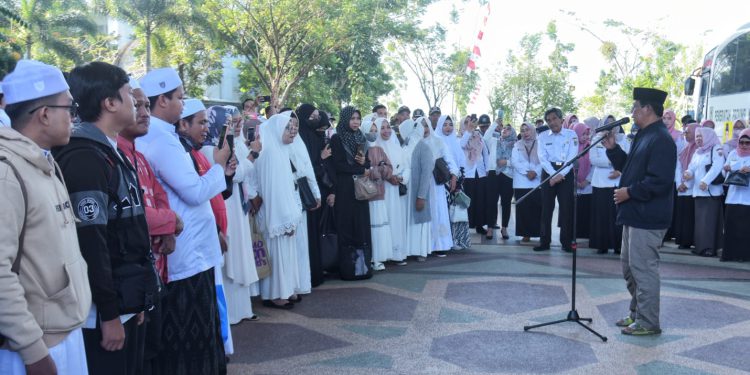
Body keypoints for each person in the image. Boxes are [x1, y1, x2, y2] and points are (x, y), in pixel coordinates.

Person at [53, 62, 153, 375]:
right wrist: (109, 314)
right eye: (128, 95)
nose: (136, 103)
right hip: (100, 314)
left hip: (124, 299)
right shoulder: (85, 156)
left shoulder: (111, 150)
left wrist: (136, 299)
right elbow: (91, 243)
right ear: (109, 103)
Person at [136, 68, 231, 374]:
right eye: (179, 97)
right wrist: (218, 166)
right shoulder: (161, 141)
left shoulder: (162, 136)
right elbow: (193, 192)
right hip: (186, 256)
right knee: (188, 338)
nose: (182, 103)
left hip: (191, 251)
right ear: (162, 101)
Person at [0, 60, 92, 375]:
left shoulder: (43, 162)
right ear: (44, 114)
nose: (74, 117)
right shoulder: (6, 172)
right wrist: (33, 351)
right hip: (34, 348)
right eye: (70, 108)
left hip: (63, 333)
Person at [116, 78, 182, 374]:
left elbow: (158, 195)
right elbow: (136, 213)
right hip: (129, 281)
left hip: (153, 271)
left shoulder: (138, 155)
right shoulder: (112, 155)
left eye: (145, 105)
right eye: (137, 104)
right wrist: (170, 222)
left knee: (151, 351)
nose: (143, 112)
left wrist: (166, 226)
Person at [603, 87, 676, 336]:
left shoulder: (662, 140)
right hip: (634, 213)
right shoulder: (643, 135)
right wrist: (613, 149)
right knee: (629, 268)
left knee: (643, 269)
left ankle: (648, 320)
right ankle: (637, 313)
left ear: (647, 109)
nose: (632, 112)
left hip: (649, 215)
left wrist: (629, 193)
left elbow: (660, 181)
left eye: (635, 107)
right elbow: (629, 169)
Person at [202, 105, 260, 324]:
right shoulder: (212, 150)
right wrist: (253, 156)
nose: (236, 126)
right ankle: (232, 314)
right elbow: (235, 175)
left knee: (240, 253)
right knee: (231, 257)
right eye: (230, 122)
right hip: (225, 206)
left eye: (237, 122)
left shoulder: (229, 146)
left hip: (237, 205)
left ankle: (242, 310)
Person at [255, 112, 304, 307]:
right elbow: (273, 190)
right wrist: (285, 219)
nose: (292, 131)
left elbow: (288, 187)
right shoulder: (269, 153)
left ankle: (287, 289)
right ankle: (274, 295)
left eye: (293, 127)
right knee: (276, 255)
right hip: (275, 215)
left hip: (285, 213)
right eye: (287, 127)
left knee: (286, 255)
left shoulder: (282, 150)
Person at [330, 106, 373, 277]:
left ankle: (363, 268)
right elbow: (338, 165)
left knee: (361, 227)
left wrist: (364, 163)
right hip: (345, 190)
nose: (356, 122)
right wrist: (359, 169)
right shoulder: (336, 138)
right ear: (345, 119)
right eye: (352, 118)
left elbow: (367, 164)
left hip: (360, 190)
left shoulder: (361, 137)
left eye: (358, 118)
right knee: (346, 227)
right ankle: (349, 270)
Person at [535, 107, 578, 252]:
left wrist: (561, 174)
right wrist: (553, 175)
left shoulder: (571, 134)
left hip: (566, 171)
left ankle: (566, 242)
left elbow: (573, 156)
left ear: (561, 119)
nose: (552, 122)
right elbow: (542, 158)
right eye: (548, 120)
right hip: (548, 172)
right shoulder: (542, 136)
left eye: (554, 119)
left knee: (566, 208)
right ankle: (544, 242)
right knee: (546, 209)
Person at [295, 103, 329, 287]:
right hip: (304, 193)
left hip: (316, 193)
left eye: (318, 116)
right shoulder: (300, 137)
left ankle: (316, 271)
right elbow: (305, 168)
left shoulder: (316, 137)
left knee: (315, 233)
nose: (315, 120)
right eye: (312, 117)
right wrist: (321, 159)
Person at [589, 116, 629, 254]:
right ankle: (602, 244)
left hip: (617, 181)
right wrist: (612, 163)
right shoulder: (596, 139)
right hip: (601, 181)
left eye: (613, 123)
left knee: (616, 215)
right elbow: (593, 159)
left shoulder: (623, 139)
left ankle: (618, 245)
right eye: (607, 123)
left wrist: (619, 170)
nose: (610, 125)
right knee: (601, 214)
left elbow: (627, 158)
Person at [684, 127, 724, 257]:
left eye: (701, 136)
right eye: (697, 136)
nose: (698, 139)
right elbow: (692, 167)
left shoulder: (716, 148)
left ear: (708, 136)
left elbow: (717, 167)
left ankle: (709, 248)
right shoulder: (698, 152)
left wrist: (706, 181)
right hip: (699, 192)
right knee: (701, 222)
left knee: (709, 222)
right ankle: (700, 247)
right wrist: (688, 174)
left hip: (711, 192)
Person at [421, 116, 457, 256]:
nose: (424, 129)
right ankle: (423, 246)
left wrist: (454, 175)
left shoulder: (438, 141)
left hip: (436, 184)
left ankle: (440, 245)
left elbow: (449, 159)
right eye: (421, 126)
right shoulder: (414, 142)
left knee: (438, 211)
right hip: (420, 184)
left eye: (426, 126)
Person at [375, 117, 408, 264]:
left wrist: (400, 178)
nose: (386, 130)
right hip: (380, 190)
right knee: (382, 220)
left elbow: (407, 167)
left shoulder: (396, 147)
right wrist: (389, 177)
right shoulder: (373, 147)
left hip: (395, 190)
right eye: (382, 128)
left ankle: (396, 254)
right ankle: (381, 255)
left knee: (395, 219)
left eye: (388, 127)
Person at [400, 118, 434, 261]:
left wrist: (421, 196)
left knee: (419, 222)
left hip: (418, 191)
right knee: (408, 221)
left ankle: (421, 251)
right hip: (405, 192)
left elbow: (427, 174)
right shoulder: (404, 147)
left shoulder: (423, 148)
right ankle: (408, 250)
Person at [436, 115, 470, 250]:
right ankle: (444, 241)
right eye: (444, 124)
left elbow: (461, 162)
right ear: (439, 126)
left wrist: (458, 178)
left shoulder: (455, 141)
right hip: (442, 182)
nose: (448, 127)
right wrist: (449, 179)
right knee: (444, 212)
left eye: (450, 124)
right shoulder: (437, 141)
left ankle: (458, 240)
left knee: (457, 211)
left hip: (457, 181)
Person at [366, 118, 395, 270]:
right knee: (369, 227)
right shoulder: (361, 148)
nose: (372, 134)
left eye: (374, 131)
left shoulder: (379, 149)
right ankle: (369, 257)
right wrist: (374, 170)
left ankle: (378, 258)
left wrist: (381, 169)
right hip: (365, 195)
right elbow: (361, 171)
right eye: (370, 131)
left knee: (379, 225)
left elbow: (389, 168)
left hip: (379, 194)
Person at [511, 122, 542, 242]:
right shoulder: (517, 145)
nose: (525, 133)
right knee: (523, 209)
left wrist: (535, 172)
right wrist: (527, 172)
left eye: (527, 130)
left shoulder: (540, 144)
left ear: (533, 131)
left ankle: (538, 233)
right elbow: (515, 161)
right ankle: (525, 234)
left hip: (537, 182)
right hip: (521, 182)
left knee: (537, 208)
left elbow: (544, 159)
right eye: (522, 130)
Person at [722, 128, 750, 262]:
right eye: (742, 142)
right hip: (732, 197)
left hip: (747, 198)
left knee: (744, 229)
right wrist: (726, 168)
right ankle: (729, 254)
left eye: (747, 143)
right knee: (731, 227)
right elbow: (724, 174)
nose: (744, 145)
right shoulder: (733, 153)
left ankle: (743, 255)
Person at [460, 115, 490, 241]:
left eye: (471, 122)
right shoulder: (461, 136)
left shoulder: (479, 136)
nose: (470, 124)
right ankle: (468, 224)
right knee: (469, 200)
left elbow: (485, 152)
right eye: (466, 122)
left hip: (480, 171)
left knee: (480, 200)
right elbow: (462, 144)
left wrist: (487, 168)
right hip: (468, 173)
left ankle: (479, 225)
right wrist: (468, 130)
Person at [673, 122, 699, 250]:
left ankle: (689, 240)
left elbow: (694, 169)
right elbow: (678, 166)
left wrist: (686, 184)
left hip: (691, 188)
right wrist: (679, 183)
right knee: (681, 214)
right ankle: (682, 240)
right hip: (681, 188)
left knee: (689, 216)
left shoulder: (698, 150)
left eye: (688, 132)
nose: (685, 134)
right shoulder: (684, 148)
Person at [495, 124, 517, 240]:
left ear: (512, 132)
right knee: (492, 201)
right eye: (504, 128)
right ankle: (491, 226)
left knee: (506, 203)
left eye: (508, 129)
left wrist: (506, 162)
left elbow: (518, 160)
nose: (505, 130)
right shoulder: (496, 142)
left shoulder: (516, 144)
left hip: (508, 176)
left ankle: (504, 228)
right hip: (496, 174)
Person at [480, 114, 501, 235]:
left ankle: (493, 222)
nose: (484, 129)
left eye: (486, 126)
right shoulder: (476, 135)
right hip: (481, 173)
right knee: (484, 199)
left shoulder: (495, 135)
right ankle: (484, 223)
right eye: (482, 127)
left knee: (494, 199)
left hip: (493, 171)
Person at [573, 121, 594, 240]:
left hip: (587, 185)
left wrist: (586, 181)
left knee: (586, 210)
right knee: (575, 211)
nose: (585, 137)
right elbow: (568, 165)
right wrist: (574, 181)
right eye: (583, 134)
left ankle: (586, 233)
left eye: (587, 134)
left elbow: (593, 166)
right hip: (574, 184)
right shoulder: (572, 147)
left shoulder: (590, 146)